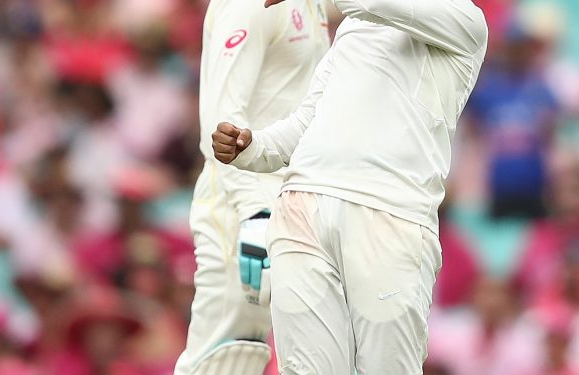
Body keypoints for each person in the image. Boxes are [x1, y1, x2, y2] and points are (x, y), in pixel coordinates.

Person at [212, 0, 488, 373]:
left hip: (389, 215)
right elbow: (308, 120)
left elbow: (376, 3)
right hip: (302, 207)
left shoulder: (464, 20)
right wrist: (253, 147)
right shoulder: (354, 27)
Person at [174, 0, 329, 374]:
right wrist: (254, 215)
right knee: (226, 351)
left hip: (290, 199)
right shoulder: (248, 4)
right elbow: (221, 122)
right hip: (241, 203)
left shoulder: (316, 3)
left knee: (256, 350)